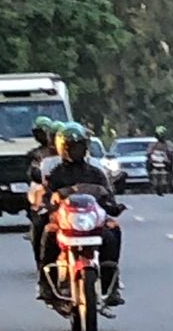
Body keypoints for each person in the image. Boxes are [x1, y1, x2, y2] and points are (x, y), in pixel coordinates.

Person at [32, 122, 124, 307]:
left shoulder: (96, 173)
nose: (77, 151)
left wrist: (113, 206)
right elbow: (47, 196)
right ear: (63, 148)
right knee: (46, 231)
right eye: (72, 147)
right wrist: (47, 207)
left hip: (92, 221)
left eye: (80, 146)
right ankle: (46, 283)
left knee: (113, 232)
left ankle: (111, 285)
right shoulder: (56, 173)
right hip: (65, 221)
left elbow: (108, 195)